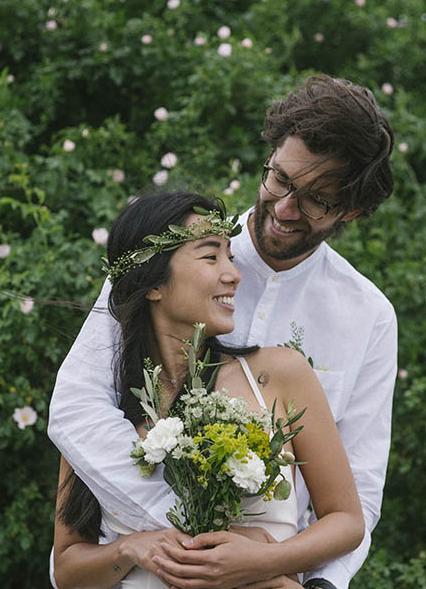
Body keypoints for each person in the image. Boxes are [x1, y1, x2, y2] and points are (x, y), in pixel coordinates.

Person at [49, 74, 398, 589]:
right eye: (279, 179)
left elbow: (358, 497)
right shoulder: (164, 250)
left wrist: (279, 571)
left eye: (316, 200)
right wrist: (189, 531)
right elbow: (78, 408)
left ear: (351, 211)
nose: (283, 209)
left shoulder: (368, 316)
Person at [52, 192, 364, 589]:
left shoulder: (279, 374)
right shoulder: (98, 411)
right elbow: (66, 570)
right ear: (153, 285)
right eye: (210, 256)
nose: (233, 274)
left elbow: (347, 521)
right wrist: (131, 548)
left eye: (231, 257)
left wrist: (266, 560)